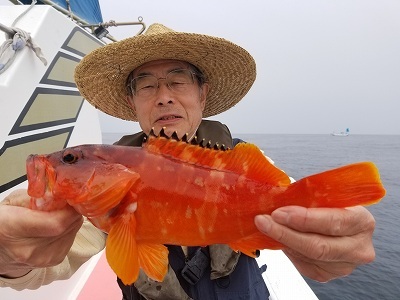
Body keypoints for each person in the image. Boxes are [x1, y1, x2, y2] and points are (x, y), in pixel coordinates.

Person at [0, 24, 377, 298]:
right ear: (134, 103)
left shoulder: (245, 159)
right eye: (147, 85)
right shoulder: (99, 192)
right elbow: (53, 260)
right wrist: (9, 256)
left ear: (202, 92)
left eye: (177, 81)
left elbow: (291, 212)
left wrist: (327, 242)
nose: (163, 96)